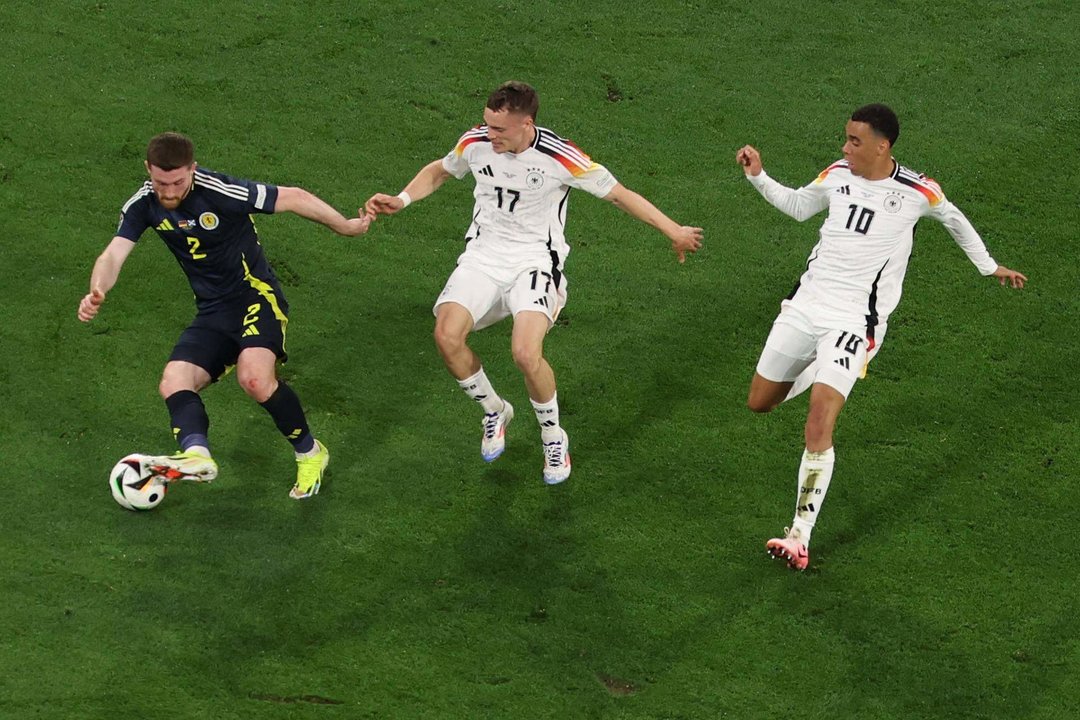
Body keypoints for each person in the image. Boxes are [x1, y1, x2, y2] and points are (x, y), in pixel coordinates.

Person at [365, 81, 703, 484]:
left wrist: (673, 231)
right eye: (488, 125)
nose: (490, 136)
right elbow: (440, 170)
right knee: (446, 336)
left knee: (525, 353)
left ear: (527, 124)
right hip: (484, 255)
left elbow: (619, 195)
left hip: (535, 261)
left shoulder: (561, 156)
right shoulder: (475, 141)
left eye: (499, 130)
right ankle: (495, 410)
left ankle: (552, 435)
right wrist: (401, 199)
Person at [736, 104, 1026, 570]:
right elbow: (797, 206)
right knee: (760, 402)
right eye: (846, 139)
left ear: (881, 145)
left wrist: (990, 266)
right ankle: (819, 366)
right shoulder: (836, 174)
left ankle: (799, 536)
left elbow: (955, 221)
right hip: (805, 306)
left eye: (853, 141)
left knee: (819, 421)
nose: (844, 147)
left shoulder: (916, 191)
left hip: (855, 322)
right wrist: (758, 176)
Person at [78, 132, 373, 499]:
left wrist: (344, 226)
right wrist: (98, 289)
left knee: (254, 379)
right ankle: (196, 457)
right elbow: (112, 255)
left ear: (193, 170)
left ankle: (311, 453)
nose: (168, 192)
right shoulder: (143, 204)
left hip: (256, 297)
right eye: (160, 183)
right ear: (147, 171)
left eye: (177, 182)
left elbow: (294, 197)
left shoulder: (220, 191)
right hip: (213, 311)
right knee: (174, 381)